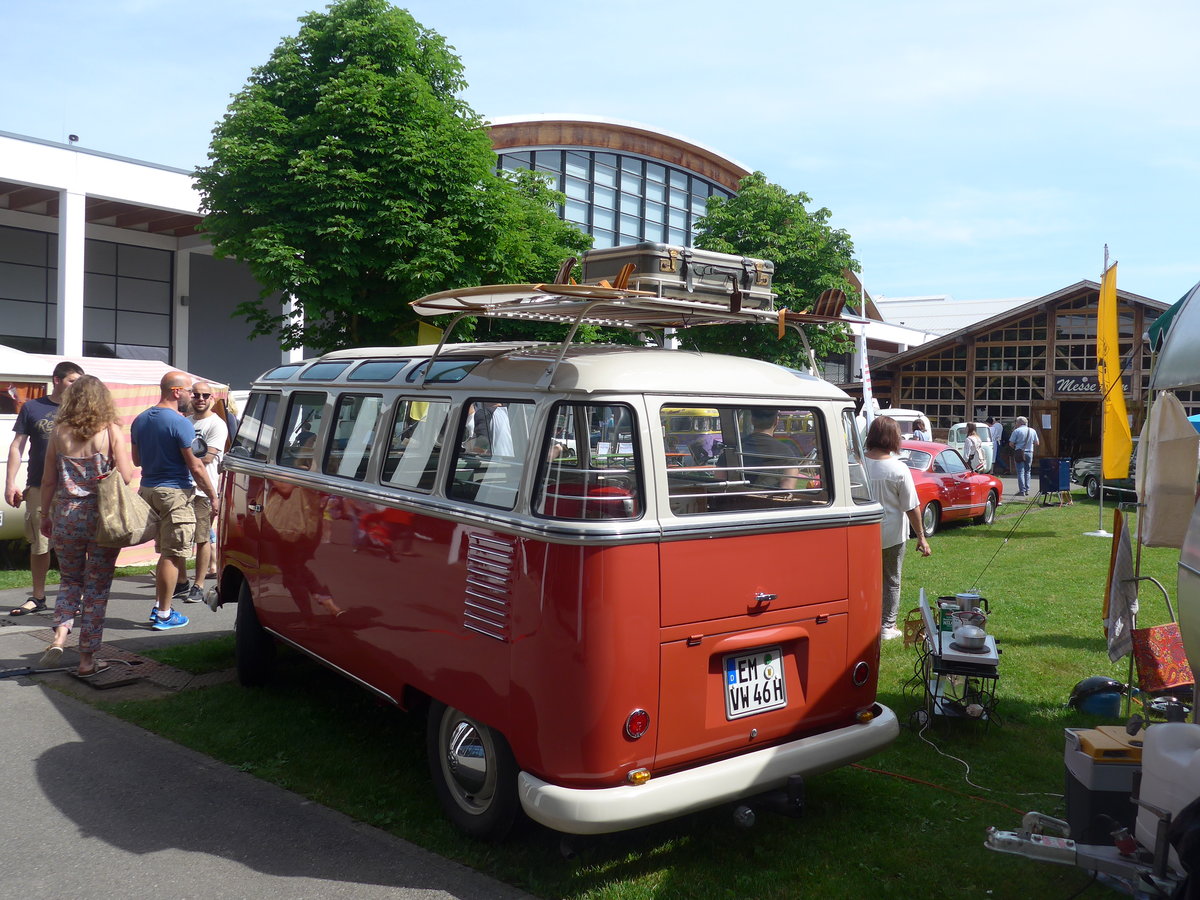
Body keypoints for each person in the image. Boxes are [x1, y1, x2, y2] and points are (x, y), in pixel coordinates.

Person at [35, 376, 135, 677]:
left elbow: (48, 480)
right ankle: (87, 659)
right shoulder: (110, 431)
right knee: (96, 588)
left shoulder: (58, 432)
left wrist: (45, 516)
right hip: (102, 521)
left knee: (69, 581)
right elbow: (128, 476)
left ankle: (60, 636)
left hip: (67, 517)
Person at [130, 372, 220, 631]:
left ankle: (161, 606)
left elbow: (136, 461)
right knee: (171, 554)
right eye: (190, 392)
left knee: (165, 553)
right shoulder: (181, 423)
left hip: (147, 490)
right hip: (174, 493)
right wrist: (213, 496)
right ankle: (164, 613)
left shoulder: (140, 419)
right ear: (176, 391)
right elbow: (196, 466)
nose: (193, 397)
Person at [5, 361, 84, 616]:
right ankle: (38, 597)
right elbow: (17, 446)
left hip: (74, 487)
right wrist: (10, 482)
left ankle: (75, 598)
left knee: (73, 545)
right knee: (40, 544)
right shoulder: (32, 407)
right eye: (73, 380)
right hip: (39, 485)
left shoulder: (81, 409)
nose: (77, 386)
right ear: (57, 380)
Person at [863, 416, 932, 640]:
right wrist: (921, 537)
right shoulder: (899, 469)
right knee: (892, 580)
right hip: (891, 534)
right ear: (894, 439)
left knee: (863, 579)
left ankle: (865, 620)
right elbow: (911, 506)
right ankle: (887, 626)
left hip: (861, 534)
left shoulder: (856, 465)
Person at [186, 381, 228, 604]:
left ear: (212, 398)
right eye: (195, 395)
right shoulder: (185, 422)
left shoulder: (217, 424)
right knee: (181, 537)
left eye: (204, 395)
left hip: (204, 489)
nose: (200, 398)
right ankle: (182, 580)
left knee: (202, 538)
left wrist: (183, 457)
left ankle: (199, 584)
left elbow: (209, 457)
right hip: (182, 487)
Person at [740, 409, 799, 490]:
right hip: (767, 501)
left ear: (752, 420)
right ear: (776, 421)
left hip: (732, 500)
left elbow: (721, 480)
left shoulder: (735, 447)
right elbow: (787, 488)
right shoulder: (786, 452)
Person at [1009, 415, 1040, 497]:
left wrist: (1017, 447)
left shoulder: (1016, 431)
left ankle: (1022, 490)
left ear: (1019, 423)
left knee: (1020, 472)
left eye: (1016, 422)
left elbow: (1011, 443)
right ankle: (1027, 489)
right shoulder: (1032, 431)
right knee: (1028, 471)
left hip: (1019, 452)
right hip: (1030, 452)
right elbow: (1037, 443)